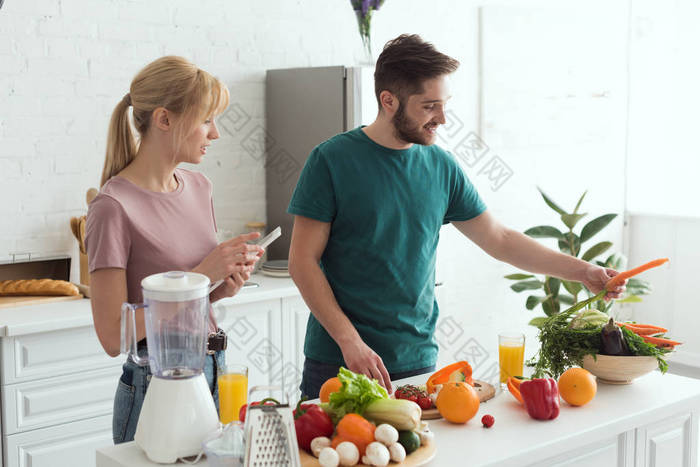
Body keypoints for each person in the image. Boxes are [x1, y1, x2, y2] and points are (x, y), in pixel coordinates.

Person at [287, 34, 626, 398]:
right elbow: (302, 262)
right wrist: (349, 341)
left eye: (445, 104)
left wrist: (584, 272)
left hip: (415, 360)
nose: (443, 118)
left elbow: (500, 240)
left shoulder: (441, 166)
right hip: (338, 358)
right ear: (388, 101)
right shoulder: (331, 160)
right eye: (430, 106)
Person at [85, 56, 263, 444]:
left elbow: (194, 301)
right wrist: (202, 276)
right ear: (164, 119)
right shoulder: (112, 208)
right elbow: (113, 336)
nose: (214, 133)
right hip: (156, 384)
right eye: (206, 120)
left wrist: (223, 284)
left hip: (215, 366)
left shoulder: (201, 188)